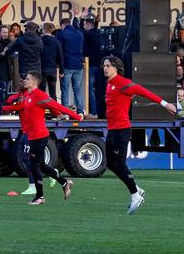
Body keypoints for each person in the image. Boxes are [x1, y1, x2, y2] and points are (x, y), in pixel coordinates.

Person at [102, 55, 176, 214]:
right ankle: (136, 189)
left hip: (121, 129)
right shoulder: (110, 84)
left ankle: (135, 195)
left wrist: (165, 104)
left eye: (108, 65)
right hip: (113, 129)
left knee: (119, 163)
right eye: (104, 66)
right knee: (109, 163)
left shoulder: (123, 83)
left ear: (116, 67)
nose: (105, 68)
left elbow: (143, 91)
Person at [2, 71, 80, 205]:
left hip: (39, 135)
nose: (24, 80)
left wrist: (76, 116)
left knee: (33, 164)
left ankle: (40, 196)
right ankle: (64, 182)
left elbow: (56, 105)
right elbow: (19, 104)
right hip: (31, 135)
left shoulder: (39, 95)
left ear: (34, 82)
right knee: (40, 165)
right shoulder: (28, 95)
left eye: (27, 79)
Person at [57, 18, 85, 115]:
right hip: (79, 65)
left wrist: (60, 68)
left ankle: (65, 112)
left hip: (67, 65)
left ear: (62, 25)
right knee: (77, 89)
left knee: (65, 89)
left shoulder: (62, 34)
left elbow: (59, 50)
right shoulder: (79, 33)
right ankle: (80, 111)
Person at [80, 16, 102, 117]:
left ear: (88, 24)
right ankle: (98, 111)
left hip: (91, 65)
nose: (83, 27)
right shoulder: (100, 34)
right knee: (98, 89)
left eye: (84, 25)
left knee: (90, 90)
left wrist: (78, 18)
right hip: (100, 65)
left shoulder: (88, 35)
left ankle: (93, 112)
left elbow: (79, 31)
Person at [40, 23, 64, 102]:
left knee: (41, 93)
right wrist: (61, 70)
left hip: (42, 69)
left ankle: (41, 112)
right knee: (53, 92)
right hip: (52, 69)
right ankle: (55, 112)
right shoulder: (56, 42)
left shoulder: (40, 41)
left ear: (43, 30)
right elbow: (60, 56)